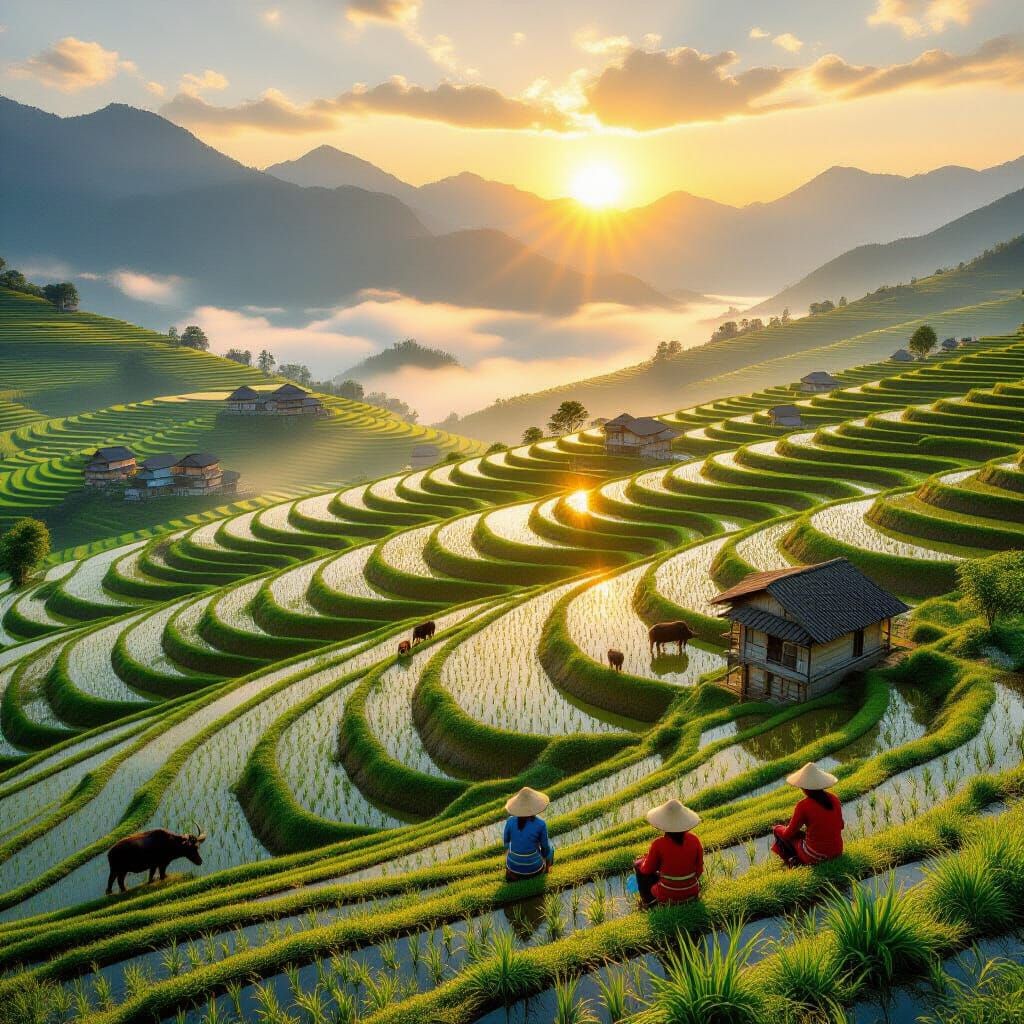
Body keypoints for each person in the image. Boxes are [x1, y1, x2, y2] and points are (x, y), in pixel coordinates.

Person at [771, 761, 845, 868]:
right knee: (800, 835)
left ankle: (793, 861)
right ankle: (796, 860)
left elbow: (788, 834)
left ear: (804, 788)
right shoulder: (834, 799)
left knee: (778, 831)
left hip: (816, 855)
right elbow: (841, 825)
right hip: (838, 851)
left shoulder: (803, 806)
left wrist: (778, 828)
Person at [633, 798, 703, 906]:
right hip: (692, 891)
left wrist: (644, 860)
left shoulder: (659, 844)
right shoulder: (695, 840)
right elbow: (699, 870)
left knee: (638, 865)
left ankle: (648, 903)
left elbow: (646, 869)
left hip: (668, 895)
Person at [502, 787, 553, 881]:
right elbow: (545, 847)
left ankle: (511, 873)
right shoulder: (541, 824)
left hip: (513, 867)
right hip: (534, 869)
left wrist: (510, 855)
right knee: (551, 848)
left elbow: (505, 843)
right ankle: (547, 871)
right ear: (534, 806)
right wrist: (542, 856)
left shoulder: (510, 821)